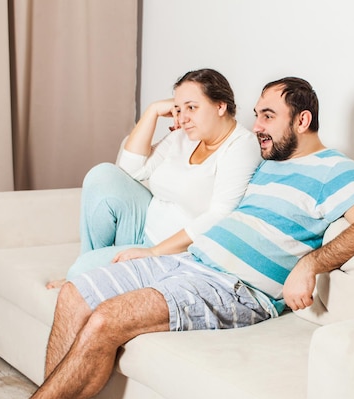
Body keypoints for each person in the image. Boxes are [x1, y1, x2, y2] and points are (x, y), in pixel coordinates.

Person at [5, 77, 354, 399]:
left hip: (237, 289)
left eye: (268, 116)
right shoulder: (271, 162)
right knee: (73, 295)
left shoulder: (335, 169)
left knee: (107, 319)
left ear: (302, 120)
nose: (256, 127)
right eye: (256, 115)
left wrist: (309, 264)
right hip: (191, 260)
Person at [47, 68, 262, 288]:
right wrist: (153, 111)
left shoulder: (241, 146)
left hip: (171, 250)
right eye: (178, 109)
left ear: (220, 106)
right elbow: (129, 171)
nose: (184, 117)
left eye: (192, 107)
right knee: (102, 175)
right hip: (141, 227)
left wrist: (152, 252)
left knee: (79, 272)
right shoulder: (184, 135)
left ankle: (85, 272)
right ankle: (90, 263)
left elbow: (220, 214)